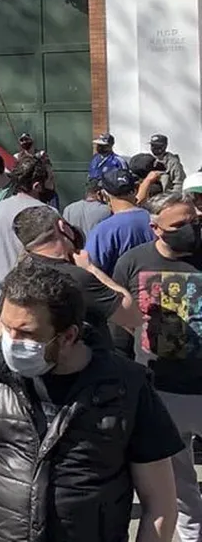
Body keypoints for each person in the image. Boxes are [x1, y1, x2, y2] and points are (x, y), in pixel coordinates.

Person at [0, 261, 180, 542]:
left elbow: (160, 504)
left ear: (68, 335)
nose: (10, 342)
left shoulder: (127, 388)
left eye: (26, 333)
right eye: (7, 328)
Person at [111, 191, 202, 536]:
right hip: (160, 391)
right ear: (155, 228)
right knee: (180, 487)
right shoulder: (132, 262)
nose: (191, 230)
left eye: (194, 221)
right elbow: (119, 330)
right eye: (180, 224)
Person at [7, 205, 139, 346]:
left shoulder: (17, 275)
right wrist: (91, 269)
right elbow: (132, 316)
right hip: (86, 363)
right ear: (62, 226)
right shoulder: (78, 277)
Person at [0, 157, 56, 337]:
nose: (53, 186)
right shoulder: (49, 214)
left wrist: (0, 278)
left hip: (2, 304)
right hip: (37, 306)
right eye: (51, 181)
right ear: (37, 185)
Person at [84, 168, 153, 275]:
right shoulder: (157, 221)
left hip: (120, 290)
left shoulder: (103, 231)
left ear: (104, 195)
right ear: (135, 190)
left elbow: (89, 271)